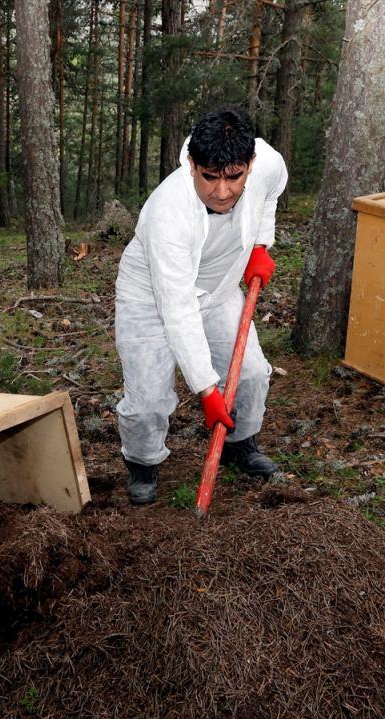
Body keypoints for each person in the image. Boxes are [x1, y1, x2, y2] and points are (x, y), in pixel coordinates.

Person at [115, 107, 288, 504]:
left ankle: (239, 444)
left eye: (234, 177)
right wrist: (207, 389)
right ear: (192, 165)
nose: (222, 191)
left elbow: (272, 191)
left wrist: (261, 243)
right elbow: (177, 309)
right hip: (152, 299)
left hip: (220, 290)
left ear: (250, 165)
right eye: (209, 177)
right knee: (147, 403)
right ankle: (143, 464)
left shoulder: (268, 165)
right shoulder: (168, 213)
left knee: (251, 373)